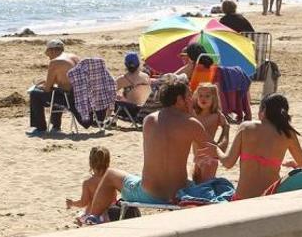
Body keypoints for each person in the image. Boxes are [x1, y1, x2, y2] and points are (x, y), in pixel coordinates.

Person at [85, 80, 215, 219]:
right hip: (177, 194)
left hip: (148, 193)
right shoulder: (192, 123)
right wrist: (224, 130)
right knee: (205, 164)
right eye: (188, 96)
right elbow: (214, 153)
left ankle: (93, 217)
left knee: (110, 174)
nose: (192, 100)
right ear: (179, 100)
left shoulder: (149, 120)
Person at [216, 94, 302, 199]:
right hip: (269, 198)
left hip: (242, 199)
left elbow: (228, 163)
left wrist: (216, 150)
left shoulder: (246, 127)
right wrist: (296, 166)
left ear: (263, 110)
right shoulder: (287, 133)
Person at [27, 39, 81, 135]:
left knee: (35, 94)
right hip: (80, 96)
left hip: (69, 99)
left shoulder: (55, 62)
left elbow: (47, 89)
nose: (48, 58)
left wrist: (41, 87)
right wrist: (48, 82)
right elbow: (66, 79)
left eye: (48, 54)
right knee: (57, 91)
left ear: (52, 50)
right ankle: (56, 126)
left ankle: (40, 128)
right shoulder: (74, 57)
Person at [191, 83, 229, 183]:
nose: (203, 98)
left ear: (214, 98)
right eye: (200, 96)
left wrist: (219, 145)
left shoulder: (216, 115)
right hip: (196, 155)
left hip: (209, 157)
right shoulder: (194, 114)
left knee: (205, 184)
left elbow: (226, 127)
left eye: (207, 96)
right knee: (196, 181)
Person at [65, 146, 111, 219]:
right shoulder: (111, 179)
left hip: (93, 217)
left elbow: (83, 203)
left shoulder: (88, 183)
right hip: (109, 216)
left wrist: (72, 203)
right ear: (108, 162)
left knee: (79, 218)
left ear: (91, 163)